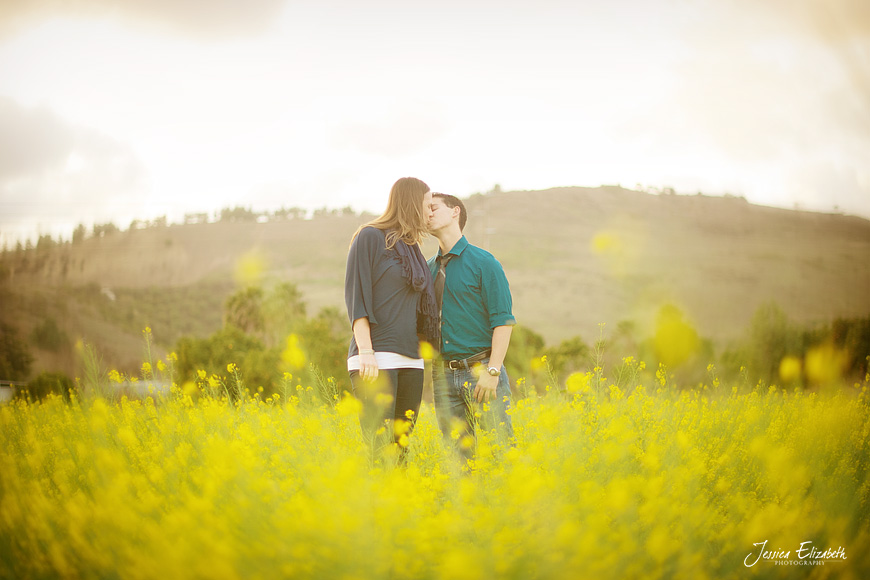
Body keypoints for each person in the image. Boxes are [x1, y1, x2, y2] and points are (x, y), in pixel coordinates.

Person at [344, 177, 438, 460]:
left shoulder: (413, 249)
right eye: (428, 205)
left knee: (401, 450)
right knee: (379, 448)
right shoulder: (369, 237)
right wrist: (366, 351)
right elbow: (356, 298)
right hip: (375, 356)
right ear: (411, 203)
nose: (431, 212)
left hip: (411, 359)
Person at [427, 193, 516, 460]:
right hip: (442, 375)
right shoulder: (427, 268)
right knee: (458, 459)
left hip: (482, 371)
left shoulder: (484, 262)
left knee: (500, 452)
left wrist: (492, 371)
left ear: (455, 212)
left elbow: (503, 321)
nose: (427, 213)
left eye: (433, 208)